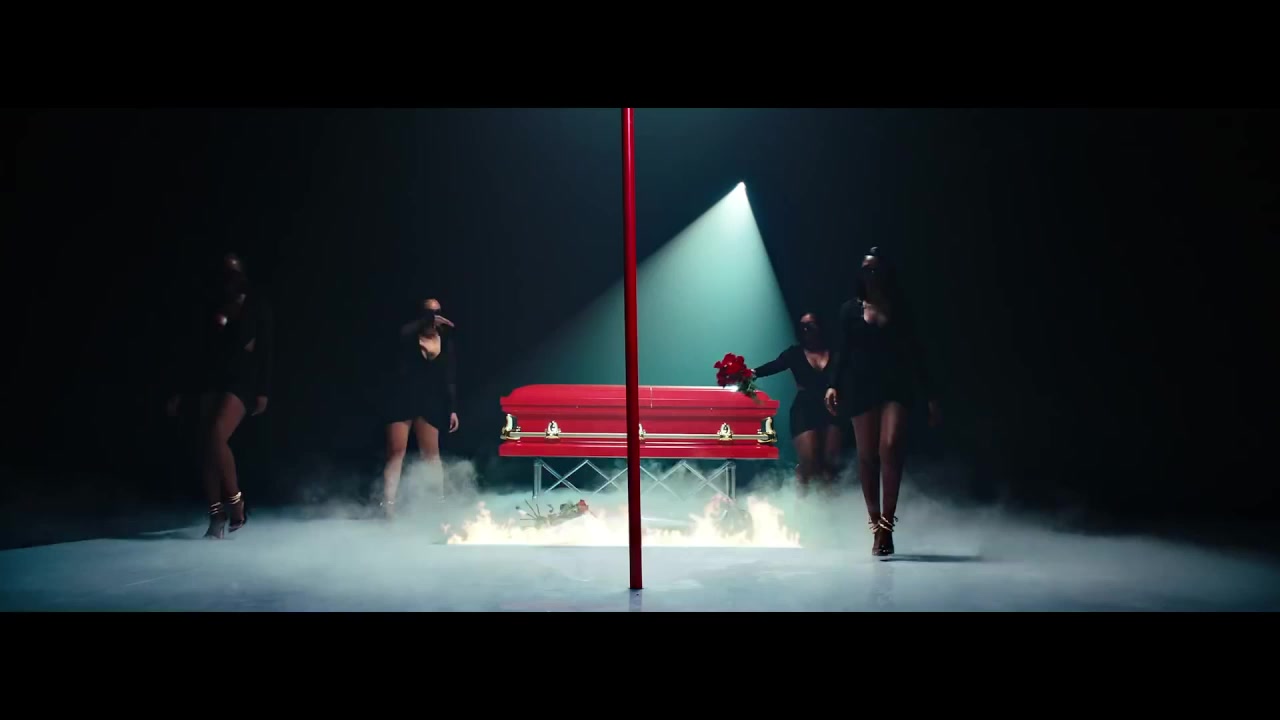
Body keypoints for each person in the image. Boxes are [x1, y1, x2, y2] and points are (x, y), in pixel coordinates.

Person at [825, 247, 940, 556]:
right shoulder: (849, 310)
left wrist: (931, 396)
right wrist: (833, 385)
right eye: (866, 269)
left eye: (876, 269)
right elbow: (842, 351)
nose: (871, 274)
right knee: (866, 456)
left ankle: (887, 526)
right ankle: (875, 525)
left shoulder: (900, 308)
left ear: (885, 273)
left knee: (890, 446)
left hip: (896, 386)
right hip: (860, 387)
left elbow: (916, 353)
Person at [166, 252, 273, 539]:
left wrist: (263, 390)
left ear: (243, 275)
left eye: (234, 272)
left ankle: (236, 503)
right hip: (211, 379)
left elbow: (265, 350)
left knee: (215, 435)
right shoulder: (210, 305)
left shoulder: (256, 305)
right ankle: (216, 517)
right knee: (207, 446)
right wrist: (180, 391)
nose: (229, 278)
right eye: (224, 273)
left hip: (242, 381)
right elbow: (195, 349)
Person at [381, 300, 459, 518]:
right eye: (429, 313)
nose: (434, 317)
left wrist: (452, 409)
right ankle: (387, 506)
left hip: (429, 401)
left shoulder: (445, 341)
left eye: (437, 312)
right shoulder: (408, 335)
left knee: (432, 456)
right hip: (402, 399)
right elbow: (403, 334)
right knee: (396, 452)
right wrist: (426, 320)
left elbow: (449, 378)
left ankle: (438, 504)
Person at [752, 311, 843, 496]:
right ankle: (803, 502)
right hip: (805, 409)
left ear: (820, 327)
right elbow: (774, 365)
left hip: (832, 408)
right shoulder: (794, 353)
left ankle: (830, 505)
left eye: (810, 325)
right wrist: (750, 373)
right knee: (809, 462)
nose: (806, 330)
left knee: (829, 464)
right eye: (802, 327)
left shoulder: (835, 352)